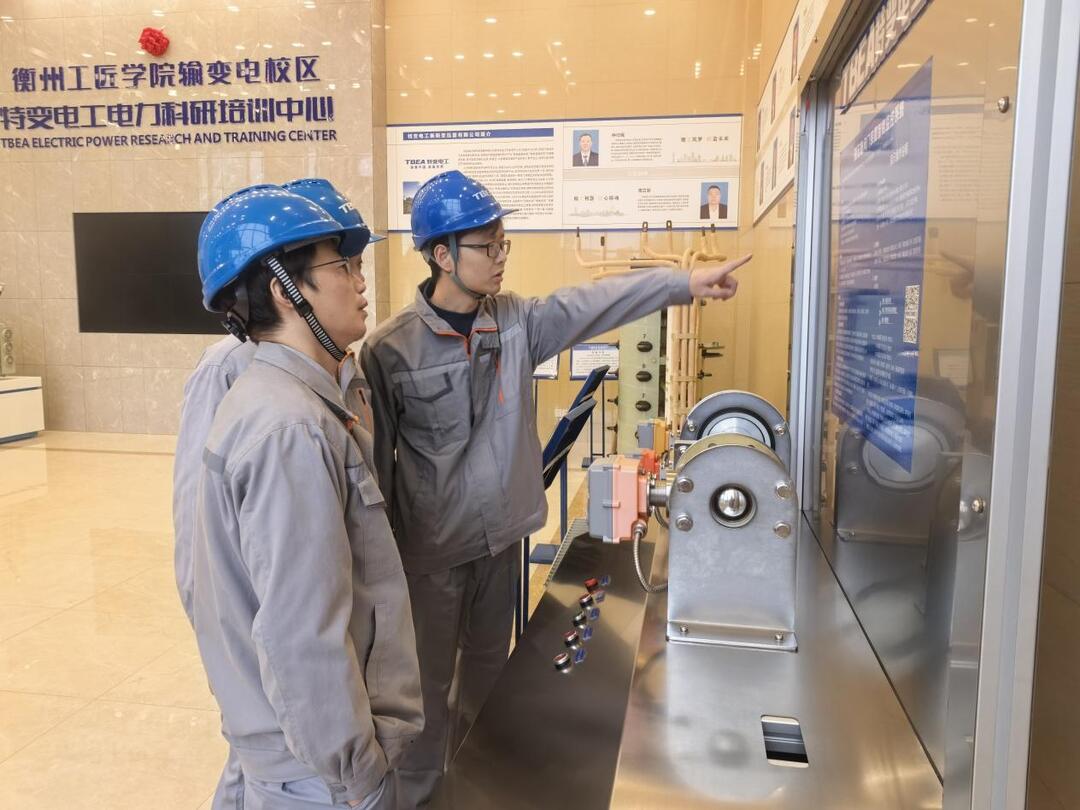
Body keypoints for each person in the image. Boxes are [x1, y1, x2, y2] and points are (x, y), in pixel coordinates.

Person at [360, 169, 750, 806]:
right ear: (442, 255)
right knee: (424, 693)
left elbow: (592, 302)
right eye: (488, 246)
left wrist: (682, 284)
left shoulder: (517, 324)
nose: (501, 257)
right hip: (431, 555)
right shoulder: (389, 351)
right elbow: (376, 469)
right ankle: (423, 797)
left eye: (503, 243)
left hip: (502, 542)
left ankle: (479, 788)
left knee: (489, 675)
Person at [190, 184, 422, 809]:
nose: (361, 282)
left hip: (308, 762)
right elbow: (302, 634)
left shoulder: (293, 404)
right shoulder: (288, 427)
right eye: (342, 266)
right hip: (320, 775)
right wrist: (358, 774)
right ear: (283, 291)